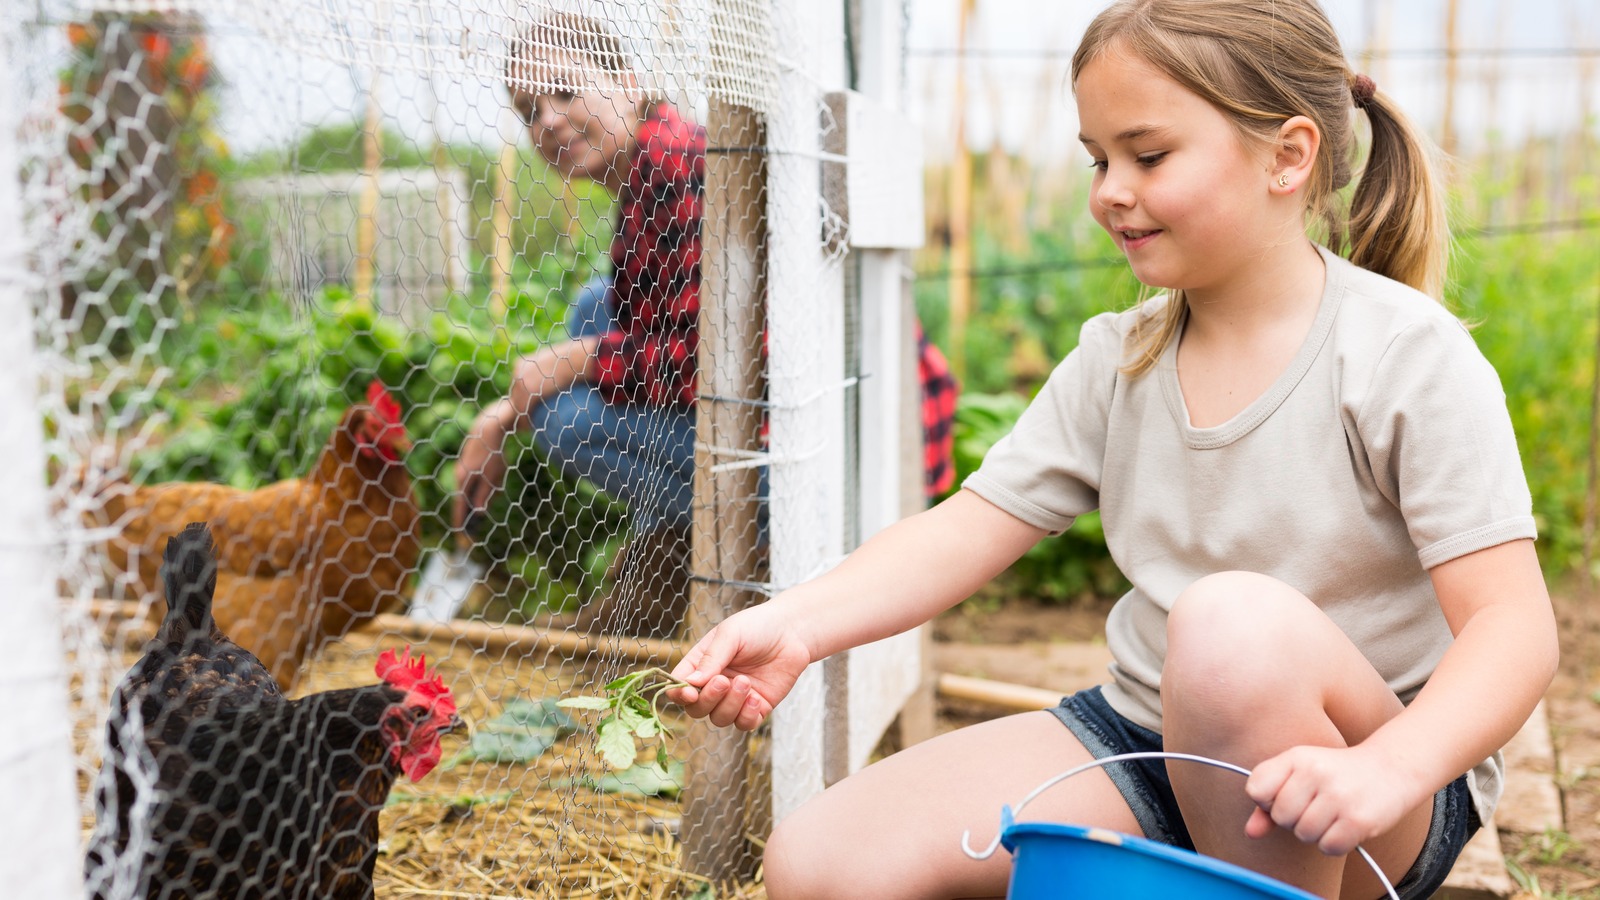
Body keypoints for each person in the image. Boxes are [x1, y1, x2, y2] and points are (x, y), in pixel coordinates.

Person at [666, 2, 1557, 899]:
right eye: (1099, 158)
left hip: (1367, 790)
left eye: (1149, 155)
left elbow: (1513, 631)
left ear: (1288, 157)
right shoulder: (1119, 356)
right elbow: (967, 528)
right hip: (1146, 740)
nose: (1109, 191)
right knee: (821, 864)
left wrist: (1394, 767)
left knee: (1230, 633)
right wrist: (799, 624)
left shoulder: (1406, 355)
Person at [455, 13, 958, 640]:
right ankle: (661, 583)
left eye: (565, 90)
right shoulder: (651, 167)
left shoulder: (679, 166)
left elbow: (717, 362)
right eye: (529, 110)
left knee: (562, 419)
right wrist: (505, 409)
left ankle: (747, 563)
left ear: (629, 82)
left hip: (817, 458)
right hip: (802, 421)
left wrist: (573, 364)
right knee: (596, 306)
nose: (548, 120)